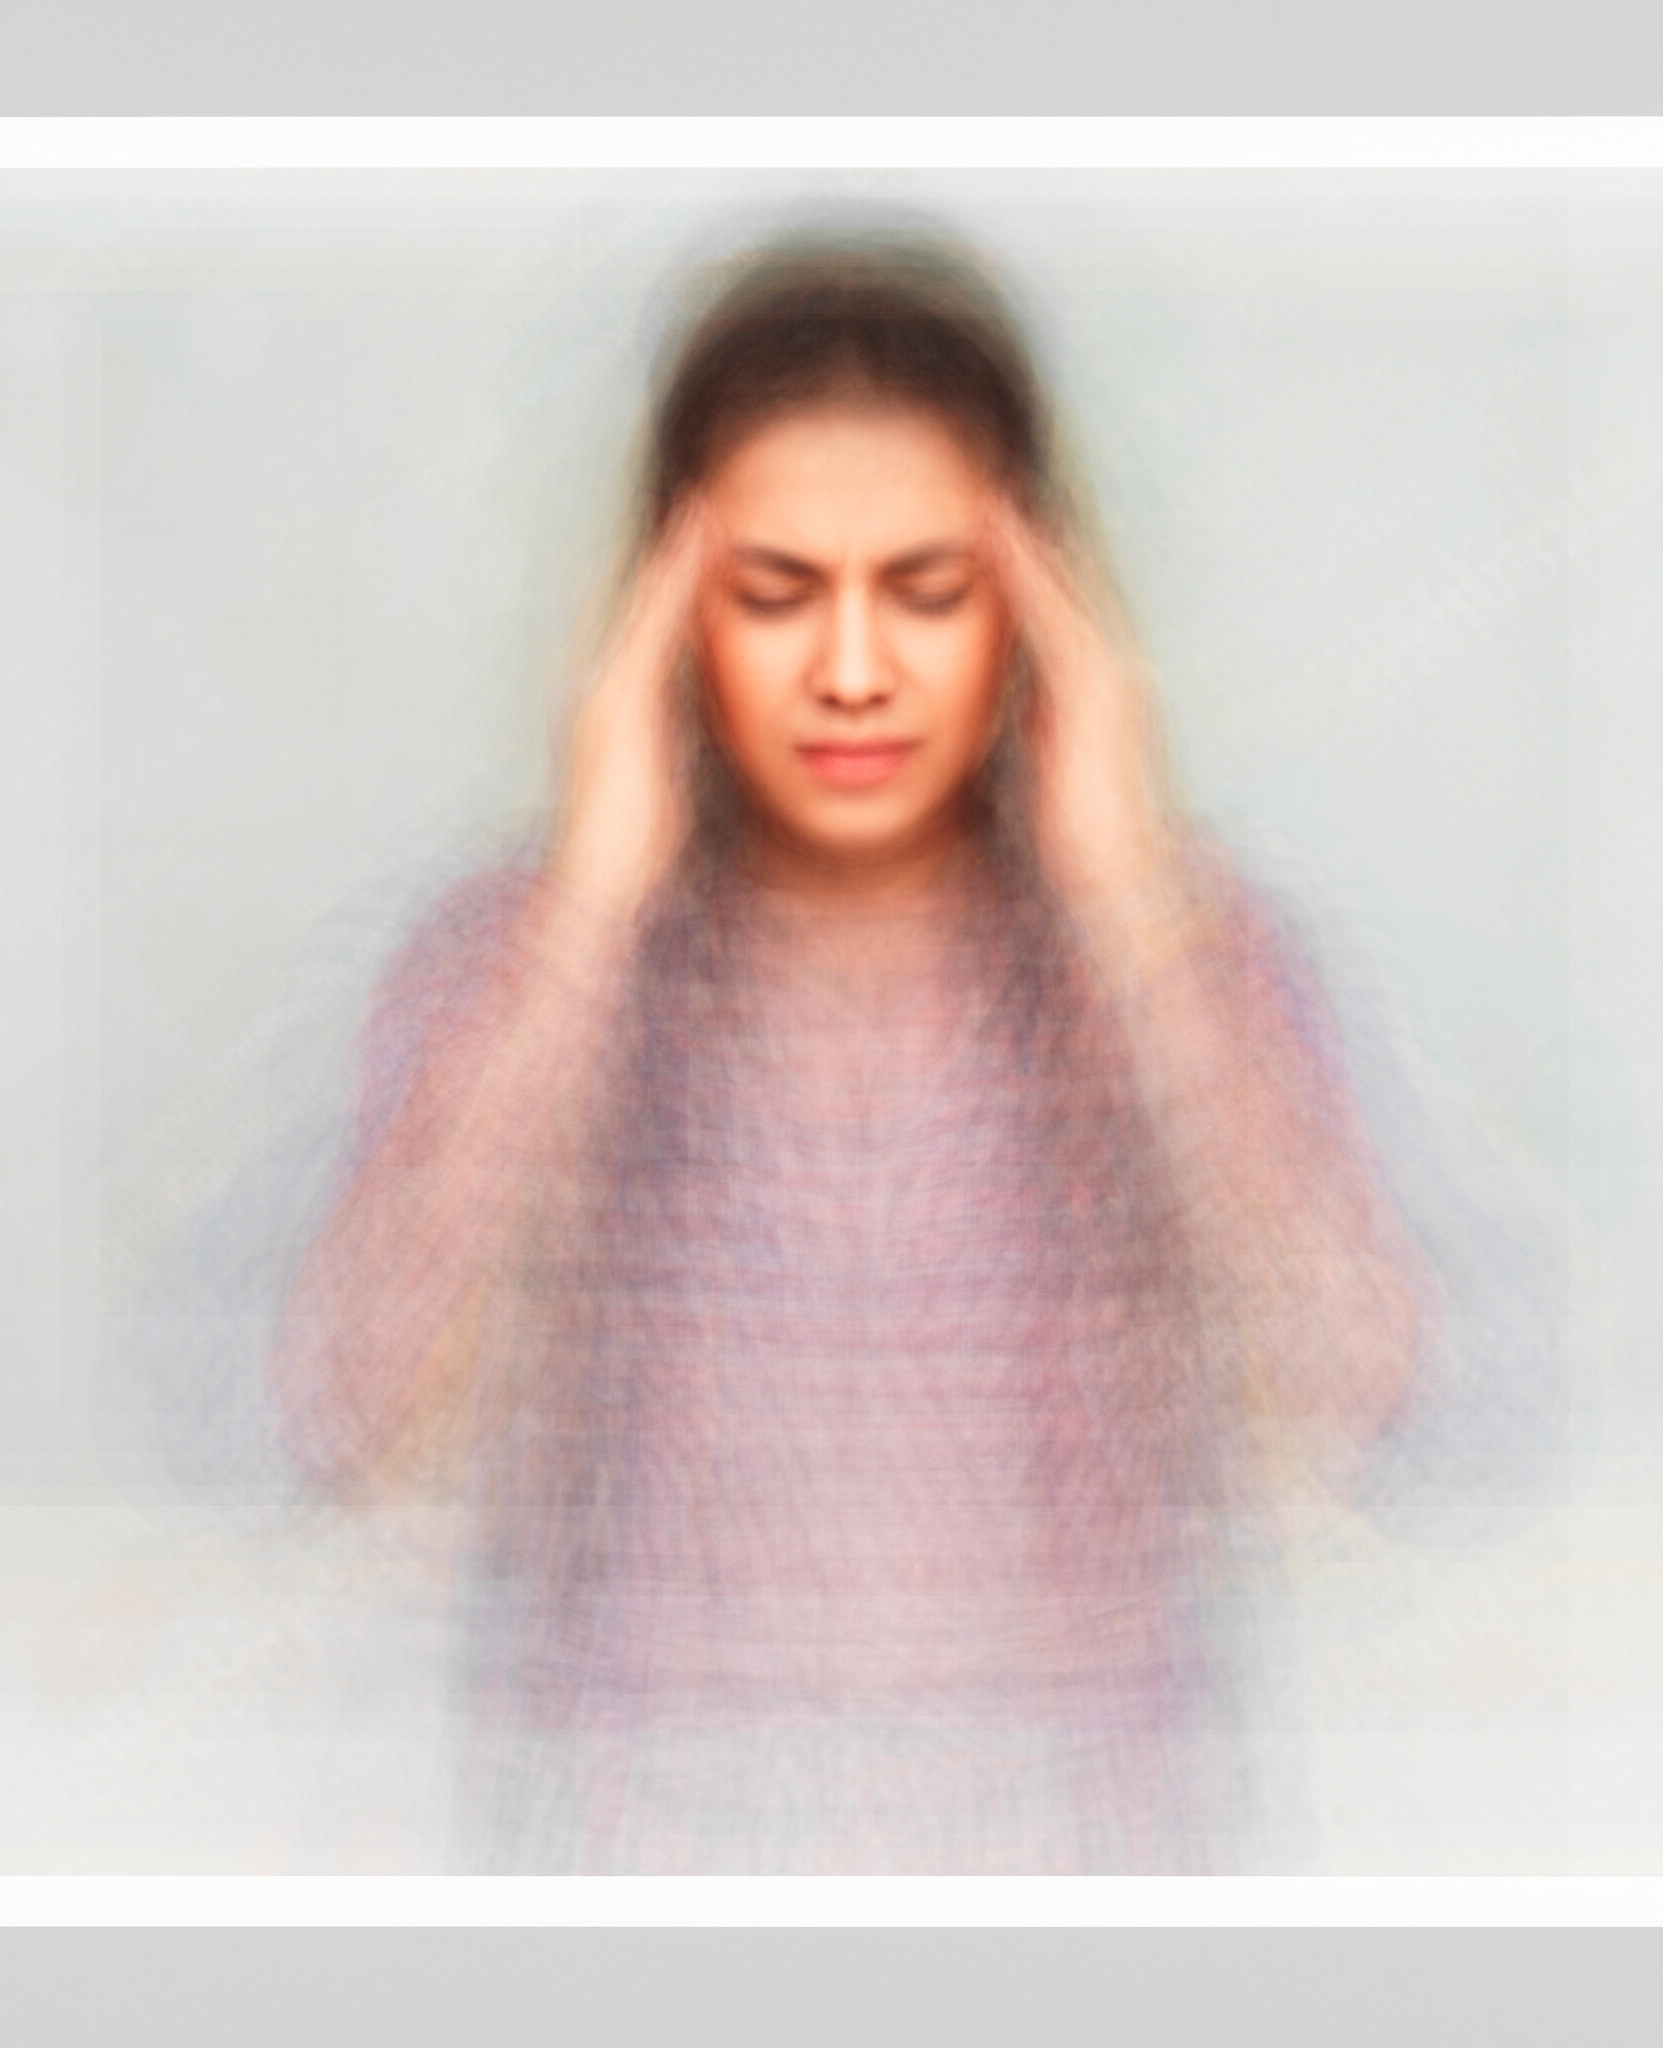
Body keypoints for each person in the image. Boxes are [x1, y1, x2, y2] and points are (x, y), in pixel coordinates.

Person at [271, 233, 1426, 1873]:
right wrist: (589, 911)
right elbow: (351, 1421)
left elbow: (1360, 1399)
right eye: (775, 593)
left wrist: (1127, 898)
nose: (856, 673)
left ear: (1041, 604)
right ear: (666, 610)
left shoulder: (1194, 947)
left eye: (930, 591)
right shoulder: (506, 956)